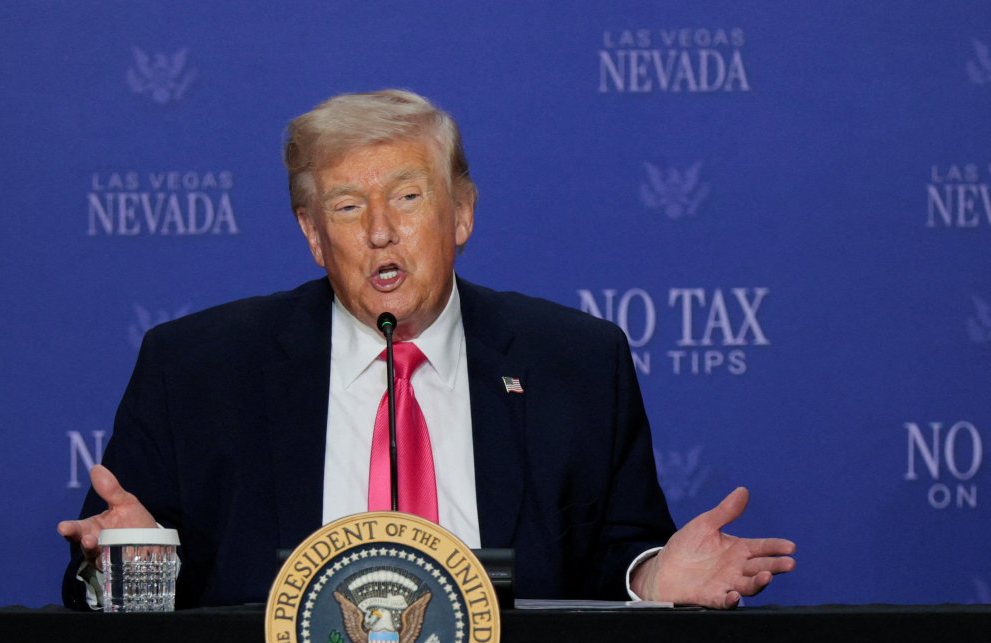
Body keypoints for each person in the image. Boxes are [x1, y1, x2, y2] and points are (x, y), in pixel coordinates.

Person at [58, 89, 795, 610]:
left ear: (462, 213)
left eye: (408, 198)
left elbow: (617, 554)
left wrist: (651, 578)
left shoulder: (577, 362)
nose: (380, 230)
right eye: (347, 207)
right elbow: (105, 580)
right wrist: (126, 564)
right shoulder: (196, 368)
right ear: (314, 236)